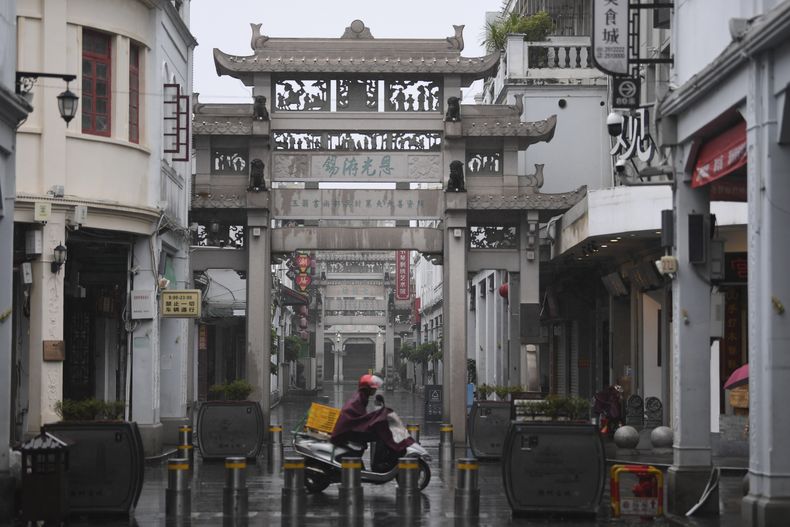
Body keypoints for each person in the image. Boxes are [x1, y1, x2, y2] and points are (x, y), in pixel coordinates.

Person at [331, 374, 414, 456]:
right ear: (367, 389)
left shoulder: (362, 397)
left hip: (350, 430)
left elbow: (364, 418)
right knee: (381, 432)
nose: (375, 389)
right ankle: (385, 459)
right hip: (347, 432)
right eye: (373, 388)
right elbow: (362, 420)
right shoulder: (357, 400)